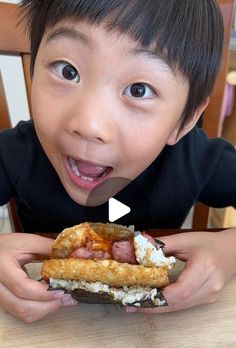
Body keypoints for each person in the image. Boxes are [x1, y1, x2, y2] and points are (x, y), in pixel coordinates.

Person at [0, 0, 236, 322]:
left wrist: (228, 252)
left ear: (185, 120)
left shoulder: (195, 160)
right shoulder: (16, 154)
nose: (89, 124)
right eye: (68, 71)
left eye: (139, 90)